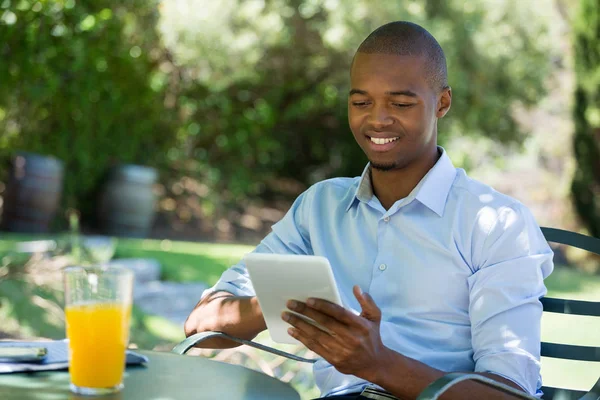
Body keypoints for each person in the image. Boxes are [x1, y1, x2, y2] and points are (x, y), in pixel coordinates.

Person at [184, 21, 554, 400]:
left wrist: (377, 363)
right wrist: (283, 302)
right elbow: (200, 327)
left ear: (442, 103)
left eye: (401, 103)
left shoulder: (495, 224)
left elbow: (511, 395)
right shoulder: (320, 207)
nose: (377, 119)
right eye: (361, 102)